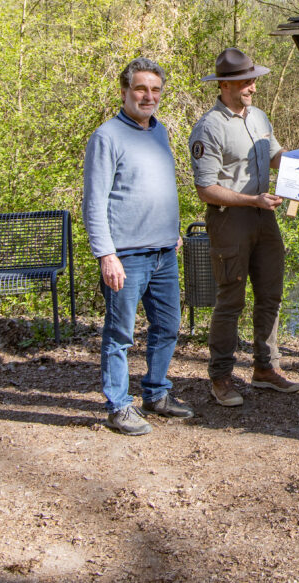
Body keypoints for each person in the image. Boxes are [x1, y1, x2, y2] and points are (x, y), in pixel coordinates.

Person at [83, 57, 191, 435]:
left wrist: (172, 230)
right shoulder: (107, 136)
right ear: (125, 91)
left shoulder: (159, 132)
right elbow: (94, 202)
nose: (149, 96)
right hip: (125, 255)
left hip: (164, 251)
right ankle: (118, 406)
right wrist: (106, 254)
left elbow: (157, 188)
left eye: (155, 89)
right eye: (141, 89)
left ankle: (157, 393)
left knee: (168, 326)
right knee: (120, 334)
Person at [189, 47, 299, 407]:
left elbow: (276, 157)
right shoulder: (209, 127)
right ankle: (221, 376)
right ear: (224, 85)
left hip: (264, 217)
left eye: (253, 80)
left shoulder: (260, 118)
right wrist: (251, 200)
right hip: (230, 220)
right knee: (231, 300)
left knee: (270, 294)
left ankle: (266, 369)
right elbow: (205, 188)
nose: (253, 87)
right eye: (245, 81)